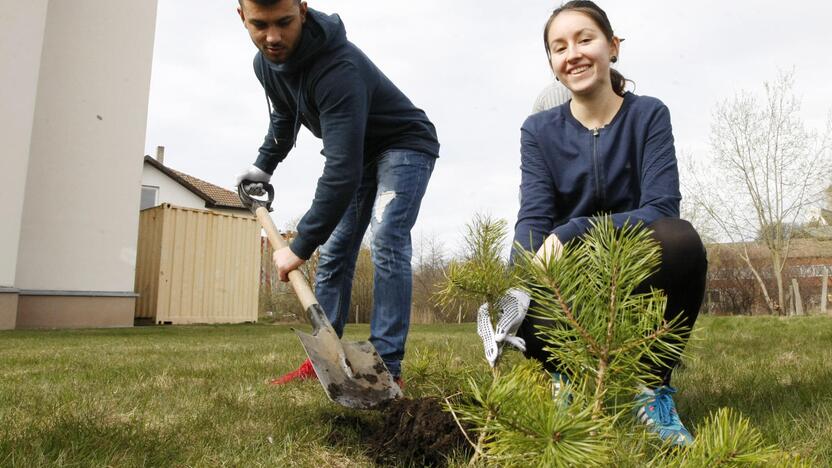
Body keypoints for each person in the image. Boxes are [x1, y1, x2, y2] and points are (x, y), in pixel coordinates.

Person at [511, 1, 706, 446]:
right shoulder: (537, 131)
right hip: (569, 281)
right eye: (559, 47)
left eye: (585, 39)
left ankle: (652, 390)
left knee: (681, 240)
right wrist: (516, 280)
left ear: (612, 47)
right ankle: (572, 382)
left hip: (635, 268)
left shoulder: (649, 115)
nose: (573, 53)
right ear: (554, 66)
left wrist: (573, 231)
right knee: (519, 286)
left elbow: (661, 206)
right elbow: (534, 215)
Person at [234, 0, 439, 385]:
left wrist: (299, 245)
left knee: (388, 239)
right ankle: (324, 361)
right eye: (260, 25)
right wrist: (264, 165)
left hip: (404, 144)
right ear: (241, 16)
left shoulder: (337, 68)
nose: (273, 37)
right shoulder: (267, 64)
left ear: (303, 11)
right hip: (357, 154)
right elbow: (284, 115)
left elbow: (341, 172)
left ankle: (386, 370)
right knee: (334, 252)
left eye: (284, 22)